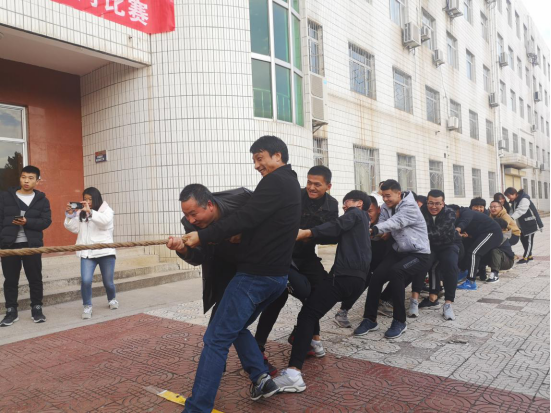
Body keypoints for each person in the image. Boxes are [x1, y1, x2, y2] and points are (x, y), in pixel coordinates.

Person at [181, 136, 301, 412]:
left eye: (260, 158)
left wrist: (203, 236)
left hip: (254, 278)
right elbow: (265, 225)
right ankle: (261, 378)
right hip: (276, 278)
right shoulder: (291, 184)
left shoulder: (275, 181)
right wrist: (240, 238)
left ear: (278, 156)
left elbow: (246, 216)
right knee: (235, 328)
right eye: (254, 160)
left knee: (215, 339)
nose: (257, 165)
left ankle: (197, 408)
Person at [273, 191, 372, 394]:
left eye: (347, 202)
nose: (344, 206)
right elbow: (333, 233)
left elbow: (335, 226)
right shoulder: (363, 224)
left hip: (344, 278)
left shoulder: (355, 214)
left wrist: (305, 233)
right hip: (357, 280)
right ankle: (315, 344)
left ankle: (293, 373)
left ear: (359, 203)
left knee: (307, 315)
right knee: (315, 301)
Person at [255, 165, 339, 363]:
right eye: (309, 182)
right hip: (282, 254)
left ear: (328, 186)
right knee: (278, 296)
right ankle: (258, 346)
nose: (311, 187)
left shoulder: (332, 205)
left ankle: (300, 333)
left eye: (317, 184)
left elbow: (331, 234)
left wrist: (309, 234)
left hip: (306, 255)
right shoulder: (295, 196)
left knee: (323, 291)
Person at [354, 180, 431, 339]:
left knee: (397, 272)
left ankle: (399, 321)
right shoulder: (385, 207)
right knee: (376, 276)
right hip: (399, 251)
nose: (385, 199)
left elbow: (395, 222)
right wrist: (370, 233)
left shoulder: (410, 207)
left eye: (388, 195)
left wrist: (373, 229)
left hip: (419, 253)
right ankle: (370, 319)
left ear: (398, 193)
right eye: (383, 196)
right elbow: (383, 226)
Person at [167, 184, 253, 318]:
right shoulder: (190, 224)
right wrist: (183, 249)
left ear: (210, 205)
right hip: (224, 270)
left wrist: (245, 235)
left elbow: (268, 221)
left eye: (193, 214)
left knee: (275, 299)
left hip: (257, 266)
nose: (191, 220)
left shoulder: (243, 198)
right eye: (186, 215)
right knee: (221, 321)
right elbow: (201, 256)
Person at [0, 166, 52, 327]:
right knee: (10, 280)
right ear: (20, 178)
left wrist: (27, 222)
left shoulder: (42, 200)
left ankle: (37, 309)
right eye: (23, 177)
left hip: (32, 245)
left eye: (30, 178)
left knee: (35, 279)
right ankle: (11, 311)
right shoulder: (5, 197)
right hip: (9, 245)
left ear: (37, 180)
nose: (26, 181)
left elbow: (46, 221)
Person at [335, 195, 390, 328]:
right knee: (362, 281)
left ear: (378, 210)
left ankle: (384, 301)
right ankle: (343, 310)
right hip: (362, 262)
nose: (367, 215)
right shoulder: (357, 222)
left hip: (384, 259)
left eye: (370, 211)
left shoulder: (385, 222)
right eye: (364, 212)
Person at [64, 188, 118, 319]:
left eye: (90, 199)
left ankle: (112, 299)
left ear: (97, 199)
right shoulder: (81, 213)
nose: (87, 201)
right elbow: (74, 228)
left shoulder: (106, 210)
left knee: (108, 282)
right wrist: (70, 215)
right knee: (86, 281)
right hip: (87, 253)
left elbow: (104, 223)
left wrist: (91, 212)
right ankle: (87, 306)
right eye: (85, 199)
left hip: (105, 252)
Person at [420, 190, 463, 321]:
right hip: (431, 245)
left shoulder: (449, 213)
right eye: (430, 203)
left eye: (437, 203)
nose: (434, 206)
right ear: (427, 202)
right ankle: (432, 297)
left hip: (449, 244)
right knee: (428, 264)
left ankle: (448, 303)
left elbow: (439, 232)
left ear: (443, 203)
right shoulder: (422, 211)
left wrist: (421, 234)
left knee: (450, 265)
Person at [449, 205, 503, 290]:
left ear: (457, 211)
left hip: (492, 233)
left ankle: (471, 282)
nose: (450, 217)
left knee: (474, 253)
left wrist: (457, 230)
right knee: (466, 249)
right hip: (480, 235)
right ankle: (463, 271)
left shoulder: (466, 212)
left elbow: (465, 222)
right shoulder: (457, 218)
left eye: (452, 214)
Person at [504, 187, 544, 264]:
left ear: (514, 194)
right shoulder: (515, 201)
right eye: (507, 197)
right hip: (522, 225)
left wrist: (511, 218)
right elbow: (512, 211)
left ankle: (525, 258)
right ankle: (530, 256)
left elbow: (520, 210)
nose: (508, 198)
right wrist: (508, 218)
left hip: (530, 224)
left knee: (528, 242)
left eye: (509, 196)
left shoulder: (524, 199)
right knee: (523, 240)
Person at [479, 218, 515, 284]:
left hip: (507, 262)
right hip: (496, 260)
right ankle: (482, 273)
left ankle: (494, 275)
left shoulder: (503, 237)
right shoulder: (491, 234)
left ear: (502, 229)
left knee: (495, 250)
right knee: (481, 249)